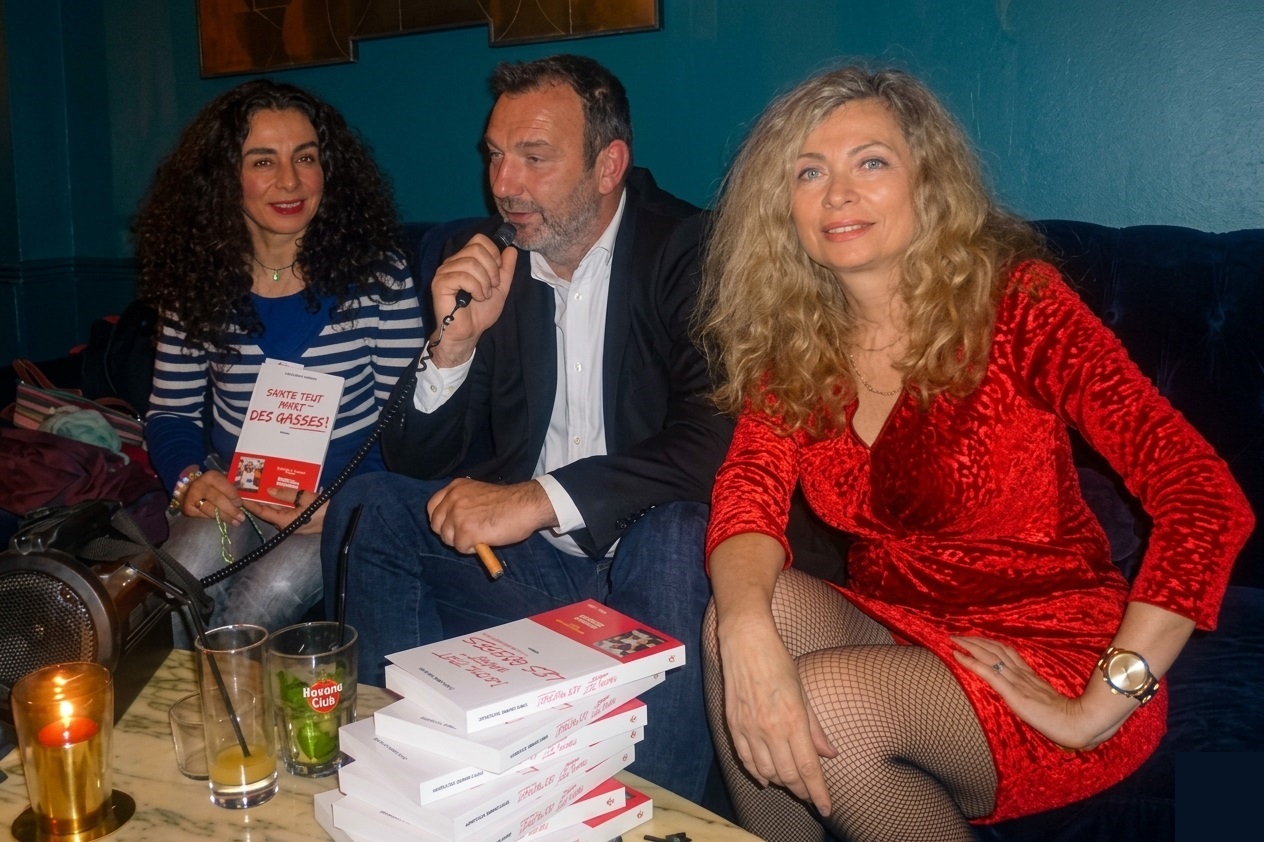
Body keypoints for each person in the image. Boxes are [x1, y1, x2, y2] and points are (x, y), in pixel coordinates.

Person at [693, 64, 1254, 841]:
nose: (838, 194)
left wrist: (1101, 701)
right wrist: (746, 630)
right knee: (740, 621)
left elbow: (1205, 498)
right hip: (903, 628)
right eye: (809, 172)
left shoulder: (1017, 306)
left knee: (828, 704)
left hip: (1050, 647)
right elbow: (746, 497)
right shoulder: (796, 343)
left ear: (927, 182)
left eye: (871, 162)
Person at [322, 54, 731, 804]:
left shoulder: (688, 249)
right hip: (532, 575)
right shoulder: (493, 263)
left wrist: (536, 499)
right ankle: (402, 782)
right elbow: (414, 458)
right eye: (495, 155)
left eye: (534, 157)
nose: (504, 184)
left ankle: (658, 813)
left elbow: (713, 442)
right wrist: (453, 345)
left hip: (652, 575)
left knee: (675, 532)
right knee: (370, 506)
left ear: (609, 166)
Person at [135, 79, 423, 646]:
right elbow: (171, 413)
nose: (289, 181)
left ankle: (228, 703)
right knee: (180, 577)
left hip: (338, 499)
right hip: (235, 490)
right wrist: (189, 480)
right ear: (224, 177)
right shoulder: (196, 283)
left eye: (306, 158)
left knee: (266, 593)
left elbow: (406, 422)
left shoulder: (378, 276)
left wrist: (346, 503)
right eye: (263, 161)